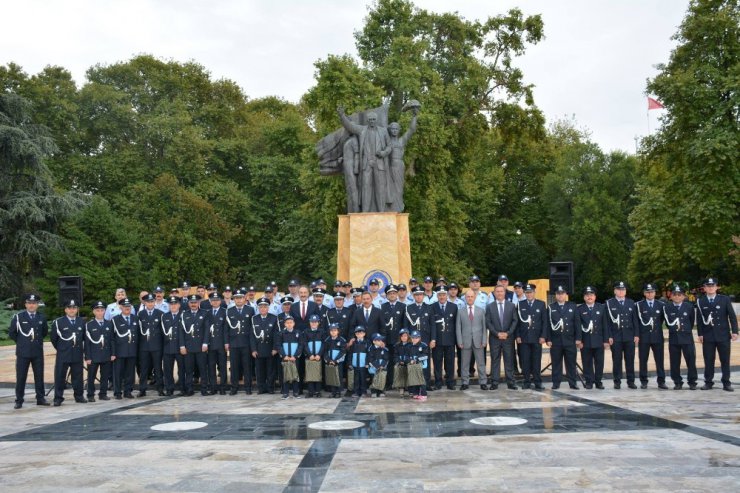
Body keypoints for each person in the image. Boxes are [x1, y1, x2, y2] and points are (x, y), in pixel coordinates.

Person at [337, 106, 392, 212]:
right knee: (366, 188)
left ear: (377, 120)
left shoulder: (383, 131)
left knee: (380, 188)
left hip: (379, 163)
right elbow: (349, 126)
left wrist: (384, 152)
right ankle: (365, 212)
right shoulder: (362, 130)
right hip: (366, 164)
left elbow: (389, 146)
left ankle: (381, 212)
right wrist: (342, 115)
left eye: (374, 120)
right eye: (370, 120)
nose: (372, 121)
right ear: (367, 121)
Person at [696, 277, 738, 391]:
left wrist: (735, 331)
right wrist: (700, 333)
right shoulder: (701, 301)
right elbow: (699, 319)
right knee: (709, 359)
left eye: (712, 286)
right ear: (704, 288)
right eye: (708, 286)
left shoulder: (724, 299)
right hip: (708, 335)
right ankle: (708, 382)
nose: (710, 288)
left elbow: (732, 316)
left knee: (725, 360)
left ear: (716, 287)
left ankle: (726, 382)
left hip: (723, 335)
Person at [9, 293, 50, 408]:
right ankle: (19, 400)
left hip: (37, 351)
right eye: (29, 303)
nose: (32, 305)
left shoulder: (41, 317)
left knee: (39, 376)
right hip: (23, 352)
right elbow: (12, 333)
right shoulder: (19, 317)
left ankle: (40, 398)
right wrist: (22, 343)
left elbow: (44, 332)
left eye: (34, 303)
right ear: (25, 304)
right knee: (21, 377)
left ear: (37, 305)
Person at [50, 299, 87, 406]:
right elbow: (54, 339)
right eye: (69, 308)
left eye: (74, 308)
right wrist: (62, 349)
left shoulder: (81, 321)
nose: (72, 310)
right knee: (60, 376)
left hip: (77, 353)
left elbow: (84, 337)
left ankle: (79, 396)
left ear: (77, 309)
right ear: (65, 310)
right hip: (63, 354)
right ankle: (58, 398)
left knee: (78, 376)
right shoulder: (58, 322)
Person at [605, 281, 638, 389]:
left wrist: (636, 334)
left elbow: (635, 321)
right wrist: (609, 336)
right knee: (617, 360)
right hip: (616, 336)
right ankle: (617, 381)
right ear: (614, 291)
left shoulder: (631, 303)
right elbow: (607, 322)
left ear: (625, 291)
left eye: (623, 289)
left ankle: (631, 381)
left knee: (630, 359)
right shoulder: (609, 303)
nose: (621, 291)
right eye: (618, 289)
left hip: (629, 336)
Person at [546, 286, 581, 390]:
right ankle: (556, 383)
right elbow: (548, 325)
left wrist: (578, 338)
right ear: (555, 295)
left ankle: (572, 383)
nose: (560, 295)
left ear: (566, 295)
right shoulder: (551, 307)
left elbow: (577, 323)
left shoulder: (573, 306)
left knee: (571, 363)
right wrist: (549, 339)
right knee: (556, 363)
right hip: (556, 340)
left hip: (570, 339)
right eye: (558, 293)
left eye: (562, 293)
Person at [664, 285, 698, 390]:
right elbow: (667, 323)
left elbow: (691, 321)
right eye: (675, 295)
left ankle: (692, 382)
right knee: (674, 362)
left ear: (684, 296)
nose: (677, 297)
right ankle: (677, 382)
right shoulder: (667, 307)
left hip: (687, 337)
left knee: (691, 360)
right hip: (674, 338)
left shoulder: (689, 307)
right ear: (671, 296)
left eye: (679, 295)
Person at [486, 285, 518, 390]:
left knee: (509, 360)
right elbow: (488, 322)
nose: (499, 293)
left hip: (508, 338)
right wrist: (497, 333)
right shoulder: (490, 306)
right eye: (497, 291)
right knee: (495, 360)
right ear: (494, 293)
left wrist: (508, 333)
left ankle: (511, 382)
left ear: (505, 293)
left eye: (501, 291)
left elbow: (515, 321)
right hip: (495, 338)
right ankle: (494, 382)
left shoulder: (512, 305)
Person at [636, 283, 668, 389]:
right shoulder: (639, 305)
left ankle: (661, 381)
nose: (650, 294)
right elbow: (637, 322)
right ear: (644, 293)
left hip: (657, 336)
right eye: (648, 292)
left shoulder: (661, 305)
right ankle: (643, 381)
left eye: (652, 292)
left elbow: (662, 320)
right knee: (643, 360)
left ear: (655, 293)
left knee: (659, 360)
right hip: (644, 337)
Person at [516, 284, 547, 390]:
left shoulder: (541, 304)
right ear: (524, 293)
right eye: (527, 292)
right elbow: (517, 322)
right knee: (525, 360)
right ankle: (526, 381)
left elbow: (544, 322)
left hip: (537, 338)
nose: (529, 294)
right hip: (524, 338)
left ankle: (538, 381)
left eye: (531, 292)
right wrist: (518, 336)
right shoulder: (520, 304)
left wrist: (543, 336)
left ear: (534, 293)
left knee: (536, 360)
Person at [456, 290, 488, 390]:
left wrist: (484, 340)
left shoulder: (481, 311)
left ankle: (483, 382)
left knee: (481, 363)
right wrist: (459, 341)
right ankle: (465, 382)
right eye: (468, 297)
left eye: (471, 296)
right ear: (465, 298)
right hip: (465, 342)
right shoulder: (460, 311)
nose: (470, 298)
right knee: (464, 363)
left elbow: (484, 327)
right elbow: (458, 327)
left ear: (474, 298)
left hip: (478, 341)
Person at [386, 110, 417, 211]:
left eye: (396, 129)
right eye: (392, 129)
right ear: (390, 130)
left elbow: (411, 129)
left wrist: (415, 116)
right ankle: (390, 207)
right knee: (389, 187)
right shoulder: (387, 141)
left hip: (399, 166)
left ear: (399, 130)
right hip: (389, 166)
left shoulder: (401, 141)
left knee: (399, 188)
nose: (394, 131)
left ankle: (397, 208)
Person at [576, 286, 607, 390]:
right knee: (586, 362)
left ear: (595, 296)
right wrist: (579, 340)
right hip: (585, 341)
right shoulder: (579, 309)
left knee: (599, 362)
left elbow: (605, 325)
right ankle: (589, 381)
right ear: (584, 297)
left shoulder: (601, 308)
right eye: (587, 295)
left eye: (591, 295)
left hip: (599, 340)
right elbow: (578, 326)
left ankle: (598, 381)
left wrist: (606, 340)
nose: (589, 297)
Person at [84, 301, 115, 402]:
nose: (100, 312)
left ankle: (103, 393)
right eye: (98, 310)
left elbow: (112, 340)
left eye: (102, 310)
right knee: (91, 376)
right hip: (94, 355)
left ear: (105, 311)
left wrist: (113, 353)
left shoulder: (109, 324)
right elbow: (87, 343)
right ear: (94, 312)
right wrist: (87, 357)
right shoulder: (89, 325)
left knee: (105, 376)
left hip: (106, 354)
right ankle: (90, 394)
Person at [226, 289, 255, 395]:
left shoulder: (250, 310)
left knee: (247, 366)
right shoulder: (229, 311)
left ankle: (248, 387)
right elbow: (227, 328)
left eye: (240, 298)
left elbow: (253, 327)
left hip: (246, 342)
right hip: (234, 342)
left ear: (244, 298)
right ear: (234, 299)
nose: (239, 300)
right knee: (234, 366)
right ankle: (234, 387)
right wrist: (227, 342)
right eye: (236, 298)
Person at [180, 294, 209, 396]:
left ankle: (204, 389)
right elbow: (181, 332)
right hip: (188, 347)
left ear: (199, 303)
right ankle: (189, 389)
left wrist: (205, 343)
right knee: (189, 370)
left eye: (195, 302)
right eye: (191, 303)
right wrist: (182, 346)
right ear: (188, 303)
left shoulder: (204, 313)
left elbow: (206, 329)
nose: (193, 304)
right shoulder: (184, 315)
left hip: (201, 346)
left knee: (202, 369)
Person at [137, 293, 164, 397]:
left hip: (157, 346)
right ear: (145, 303)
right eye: (148, 302)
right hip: (144, 346)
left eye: (152, 301)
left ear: (154, 302)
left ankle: (160, 388)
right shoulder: (140, 314)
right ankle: (142, 389)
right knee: (143, 369)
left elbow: (163, 331)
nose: (150, 303)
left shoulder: (160, 313)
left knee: (158, 368)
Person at [431, 285, 457, 390]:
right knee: (437, 362)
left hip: (450, 339)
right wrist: (433, 339)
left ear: (447, 295)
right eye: (440, 295)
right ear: (437, 296)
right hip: (437, 340)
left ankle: (450, 382)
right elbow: (432, 324)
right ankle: (438, 382)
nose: (442, 297)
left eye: (443, 295)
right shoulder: (432, 307)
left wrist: (456, 339)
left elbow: (456, 324)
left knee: (450, 362)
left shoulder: (453, 307)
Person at [251, 297, 279, 394]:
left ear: (268, 307)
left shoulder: (274, 318)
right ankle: (261, 388)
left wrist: (275, 348)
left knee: (270, 370)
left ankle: (270, 388)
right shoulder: (254, 319)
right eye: (261, 307)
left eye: (265, 307)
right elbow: (252, 336)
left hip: (270, 348)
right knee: (259, 370)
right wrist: (253, 349)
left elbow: (276, 334)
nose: (263, 309)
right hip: (259, 349)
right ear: (258, 308)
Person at [112, 298, 138, 399]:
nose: (127, 308)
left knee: (130, 373)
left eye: (128, 306)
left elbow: (138, 336)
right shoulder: (115, 320)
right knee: (118, 373)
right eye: (125, 306)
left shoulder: (135, 318)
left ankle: (128, 391)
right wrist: (113, 352)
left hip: (132, 350)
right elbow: (112, 338)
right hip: (119, 351)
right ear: (120, 307)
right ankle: (117, 392)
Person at [204, 291, 228, 395]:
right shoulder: (207, 313)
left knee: (222, 366)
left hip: (221, 344)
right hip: (211, 344)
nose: (215, 302)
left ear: (220, 301)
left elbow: (226, 329)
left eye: (217, 300)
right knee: (211, 366)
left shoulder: (225, 312)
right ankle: (213, 387)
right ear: (210, 302)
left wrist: (226, 343)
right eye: (213, 300)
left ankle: (223, 387)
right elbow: (205, 329)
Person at [161, 295, 185, 396]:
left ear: (179, 305)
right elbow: (162, 333)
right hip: (168, 347)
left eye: (175, 304)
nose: (173, 306)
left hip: (180, 347)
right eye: (171, 304)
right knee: (167, 370)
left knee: (182, 369)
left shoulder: (184, 315)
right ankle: (169, 388)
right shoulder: (164, 316)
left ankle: (183, 388)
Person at [276, 315, 302, 399]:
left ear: (294, 323)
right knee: (285, 375)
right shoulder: (281, 333)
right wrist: (284, 356)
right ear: (285, 324)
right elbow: (278, 345)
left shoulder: (298, 333)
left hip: (294, 358)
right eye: (287, 323)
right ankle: (285, 392)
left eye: (291, 322)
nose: (289, 324)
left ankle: (295, 392)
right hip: (286, 358)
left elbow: (301, 345)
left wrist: (295, 356)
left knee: (295, 374)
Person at [304, 314, 325, 398]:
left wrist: (319, 355)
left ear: (318, 323)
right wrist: (309, 355)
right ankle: (310, 391)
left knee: (318, 373)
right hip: (310, 356)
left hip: (318, 357)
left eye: (315, 322)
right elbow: (305, 344)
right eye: (312, 322)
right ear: (309, 323)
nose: (313, 323)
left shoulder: (322, 331)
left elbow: (323, 344)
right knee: (310, 373)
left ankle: (318, 391)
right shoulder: (306, 332)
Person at [324, 323, 347, 398]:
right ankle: (333, 392)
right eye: (331, 330)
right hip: (330, 362)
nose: (333, 332)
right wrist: (329, 360)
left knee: (338, 376)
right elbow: (325, 352)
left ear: (338, 331)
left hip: (338, 362)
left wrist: (336, 360)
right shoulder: (327, 340)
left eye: (335, 330)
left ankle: (338, 392)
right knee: (331, 376)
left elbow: (343, 352)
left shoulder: (342, 340)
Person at [349, 326, 370, 397]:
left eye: (361, 333)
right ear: (355, 334)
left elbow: (369, 354)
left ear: (364, 334)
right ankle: (356, 392)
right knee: (356, 379)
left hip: (363, 364)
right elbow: (350, 354)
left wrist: (367, 363)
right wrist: (350, 363)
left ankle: (364, 391)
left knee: (363, 378)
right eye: (357, 333)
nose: (359, 335)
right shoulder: (353, 343)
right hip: (355, 364)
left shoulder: (367, 342)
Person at [408, 330, 429, 401]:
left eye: (416, 338)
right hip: (414, 366)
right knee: (415, 379)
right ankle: (416, 393)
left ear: (419, 338)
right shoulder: (410, 346)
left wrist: (416, 359)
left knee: (421, 380)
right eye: (413, 337)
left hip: (421, 366)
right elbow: (409, 355)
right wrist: (410, 360)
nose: (414, 339)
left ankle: (423, 394)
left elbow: (425, 356)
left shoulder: (423, 345)